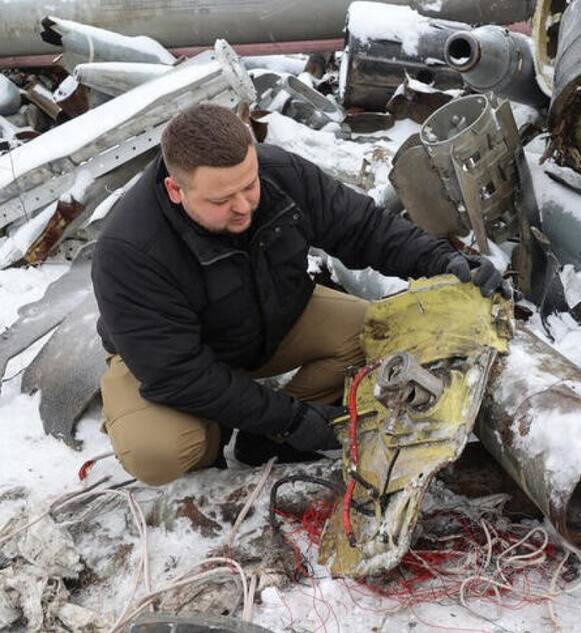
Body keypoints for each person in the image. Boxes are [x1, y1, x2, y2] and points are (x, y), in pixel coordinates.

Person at [91, 103, 508, 486]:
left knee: (383, 333)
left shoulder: (280, 174)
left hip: (273, 317)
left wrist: (442, 260)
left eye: (249, 185)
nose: (244, 207)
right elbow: (177, 373)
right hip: (172, 361)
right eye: (222, 199)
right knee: (161, 451)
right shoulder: (128, 250)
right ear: (175, 191)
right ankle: (214, 434)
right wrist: (290, 419)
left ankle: (263, 440)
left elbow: (363, 228)